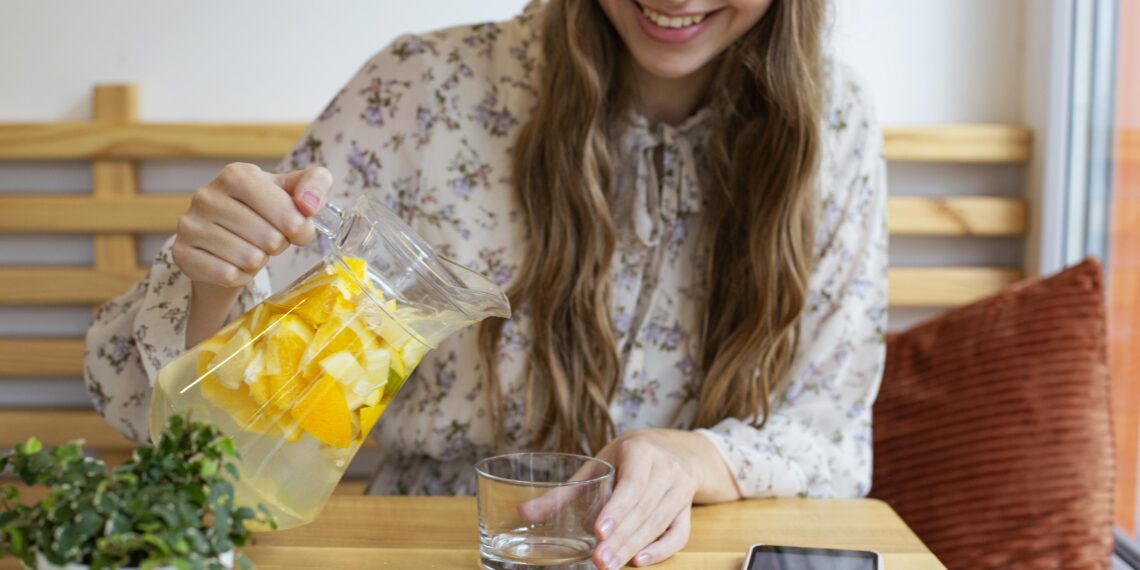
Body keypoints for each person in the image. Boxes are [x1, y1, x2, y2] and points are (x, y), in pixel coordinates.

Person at [84, 0, 887, 567]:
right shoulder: (422, 90)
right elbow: (189, 442)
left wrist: (691, 459)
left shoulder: (834, 124)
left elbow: (833, 438)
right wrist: (217, 284)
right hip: (426, 545)